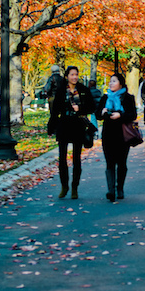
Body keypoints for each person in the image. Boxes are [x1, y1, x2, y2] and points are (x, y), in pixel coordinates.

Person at [50, 66, 95, 200]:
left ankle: (75, 186)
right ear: (67, 76)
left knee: (77, 158)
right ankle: (64, 186)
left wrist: (80, 108)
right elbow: (55, 110)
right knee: (62, 158)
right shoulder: (61, 90)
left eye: (76, 74)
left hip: (78, 125)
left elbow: (91, 107)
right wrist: (52, 126)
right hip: (64, 124)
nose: (74, 77)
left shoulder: (83, 90)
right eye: (72, 74)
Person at [96, 73, 138, 202]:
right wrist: (103, 112)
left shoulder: (128, 98)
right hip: (108, 134)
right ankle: (111, 190)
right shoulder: (105, 97)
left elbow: (133, 115)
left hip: (123, 135)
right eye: (110, 81)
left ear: (121, 83)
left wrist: (120, 115)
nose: (111, 83)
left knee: (121, 163)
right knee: (109, 163)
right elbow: (97, 115)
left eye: (114, 81)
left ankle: (120, 188)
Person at [43, 64, 65, 134]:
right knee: (61, 113)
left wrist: (47, 94)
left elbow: (47, 88)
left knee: (53, 114)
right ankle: (60, 128)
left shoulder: (51, 78)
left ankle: (52, 129)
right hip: (61, 98)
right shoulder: (62, 78)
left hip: (53, 98)